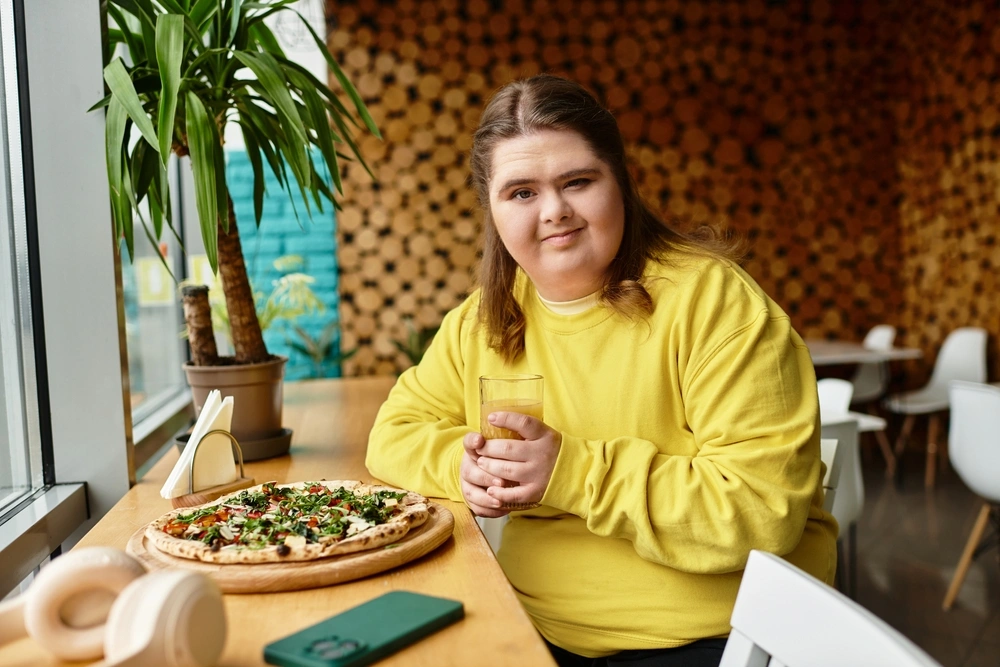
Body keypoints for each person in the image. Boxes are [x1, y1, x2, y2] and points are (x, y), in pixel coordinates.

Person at [366, 74, 837, 667]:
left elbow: (761, 510)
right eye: (521, 193)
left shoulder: (714, 304)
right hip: (530, 623)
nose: (555, 212)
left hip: (711, 636)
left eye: (578, 182)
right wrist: (468, 467)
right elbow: (394, 432)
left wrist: (569, 470)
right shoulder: (485, 319)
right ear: (491, 207)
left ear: (620, 182)